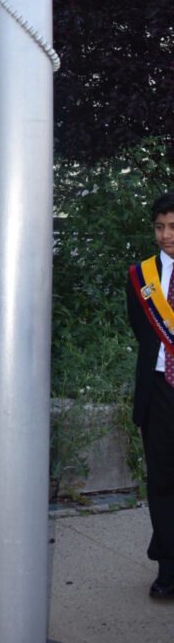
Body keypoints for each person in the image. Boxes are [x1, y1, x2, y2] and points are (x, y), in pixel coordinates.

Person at [126, 191, 174, 600]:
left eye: (173, 227)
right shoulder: (141, 276)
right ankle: (168, 567)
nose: (165, 235)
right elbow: (140, 331)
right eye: (160, 227)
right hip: (158, 388)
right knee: (161, 480)